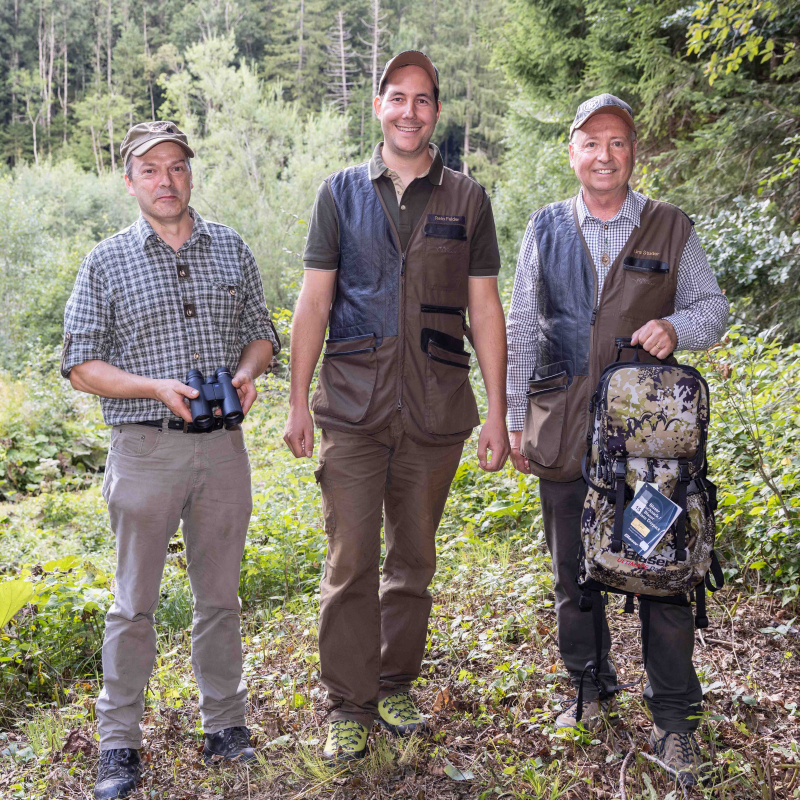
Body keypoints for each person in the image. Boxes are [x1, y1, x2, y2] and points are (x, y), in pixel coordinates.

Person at [283, 50, 510, 760]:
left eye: (422, 99)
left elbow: (485, 308)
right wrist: (297, 400)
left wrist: (498, 411)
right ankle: (349, 703)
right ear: (378, 106)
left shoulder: (467, 199)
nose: (409, 110)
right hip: (351, 408)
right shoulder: (339, 194)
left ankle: (394, 680)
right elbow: (314, 302)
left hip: (437, 410)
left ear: (436, 111)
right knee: (351, 559)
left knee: (412, 559)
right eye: (397, 97)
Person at [505, 94, 729, 785]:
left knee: (661, 576)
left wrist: (678, 329)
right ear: (571, 152)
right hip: (564, 425)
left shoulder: (669, 228)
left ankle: (673, 719)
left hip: (651, 439)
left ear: (634, 153)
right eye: (590, 142)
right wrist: (513, 420)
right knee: (573, 570)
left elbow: (713, 307)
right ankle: (591, 688)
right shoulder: (544, 228)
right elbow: (519, 328)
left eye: (618, 143)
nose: (604, 155)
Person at [61, 121, 281, 800]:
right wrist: (153, 387)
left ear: (192, 173)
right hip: (144, 448)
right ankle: (119, 744)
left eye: (176, 166)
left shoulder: (230, 248)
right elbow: (79, 365)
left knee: (219, 598)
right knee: (134, 604)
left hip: (222, 450)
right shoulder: (105, 261)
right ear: (130, 181)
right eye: (150, 169)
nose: (165, 180)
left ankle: (226, 727)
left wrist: (247, 371)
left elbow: (263, 335)